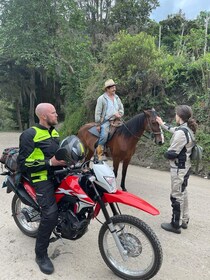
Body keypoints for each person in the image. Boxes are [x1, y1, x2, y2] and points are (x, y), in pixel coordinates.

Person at [17, 103, 66, 274]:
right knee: (50, 214)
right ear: (44, 116)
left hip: (56, 173)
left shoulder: (54, 132)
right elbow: (22, 164)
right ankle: (41, 255)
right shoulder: (30, 134)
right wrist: (49, 163)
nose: (57, 115)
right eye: (53, 112)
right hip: (40, 177)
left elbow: (59, 154)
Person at [156, 105, 198, 234]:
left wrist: (164, 152)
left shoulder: (181, 132)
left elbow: (172, 153)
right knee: (183, 192)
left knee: (176, 196)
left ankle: (176, 224)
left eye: (176, 114)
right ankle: (184, 220)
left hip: (178, 169)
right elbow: (172, 129)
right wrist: (161, 123)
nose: (175, 116)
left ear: (179, 116)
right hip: (185, 167)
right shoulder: (187, 129)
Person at [95, 79, 124, 160]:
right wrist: (98, 124)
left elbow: (121, 109)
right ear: (107, 89)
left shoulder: (117, 98)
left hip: (117, 120)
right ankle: (99, 154)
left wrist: (119, 114)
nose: (114, 89)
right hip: (106, 121)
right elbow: (98, 112)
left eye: (114, 87)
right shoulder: (101, 99)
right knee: (104, 136)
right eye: (112, 87)